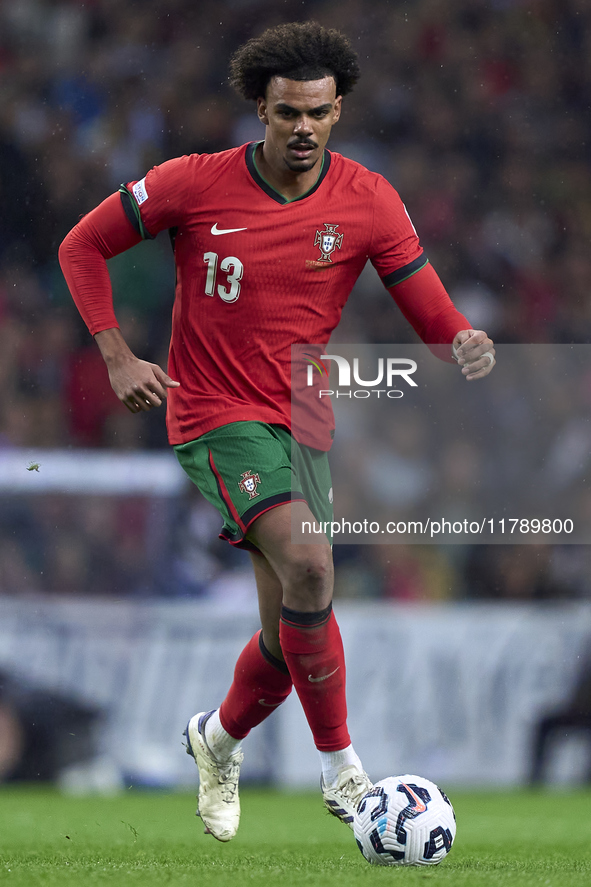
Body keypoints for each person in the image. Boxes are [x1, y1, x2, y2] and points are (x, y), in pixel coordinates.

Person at [59, 21, 495, 843]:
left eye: (320, 113)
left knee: (290, 620)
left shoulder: (369, 200)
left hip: (301, 421)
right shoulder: (192, 183)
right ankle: (342, 767)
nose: (304, 128)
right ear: (260, 108)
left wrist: (462, 339)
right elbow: (81, 245)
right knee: (310, 563)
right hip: (212, 411)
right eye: (288, 112)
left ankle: (215, 739)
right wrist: (117, 355)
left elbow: (429, 310)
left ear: (339, 111)